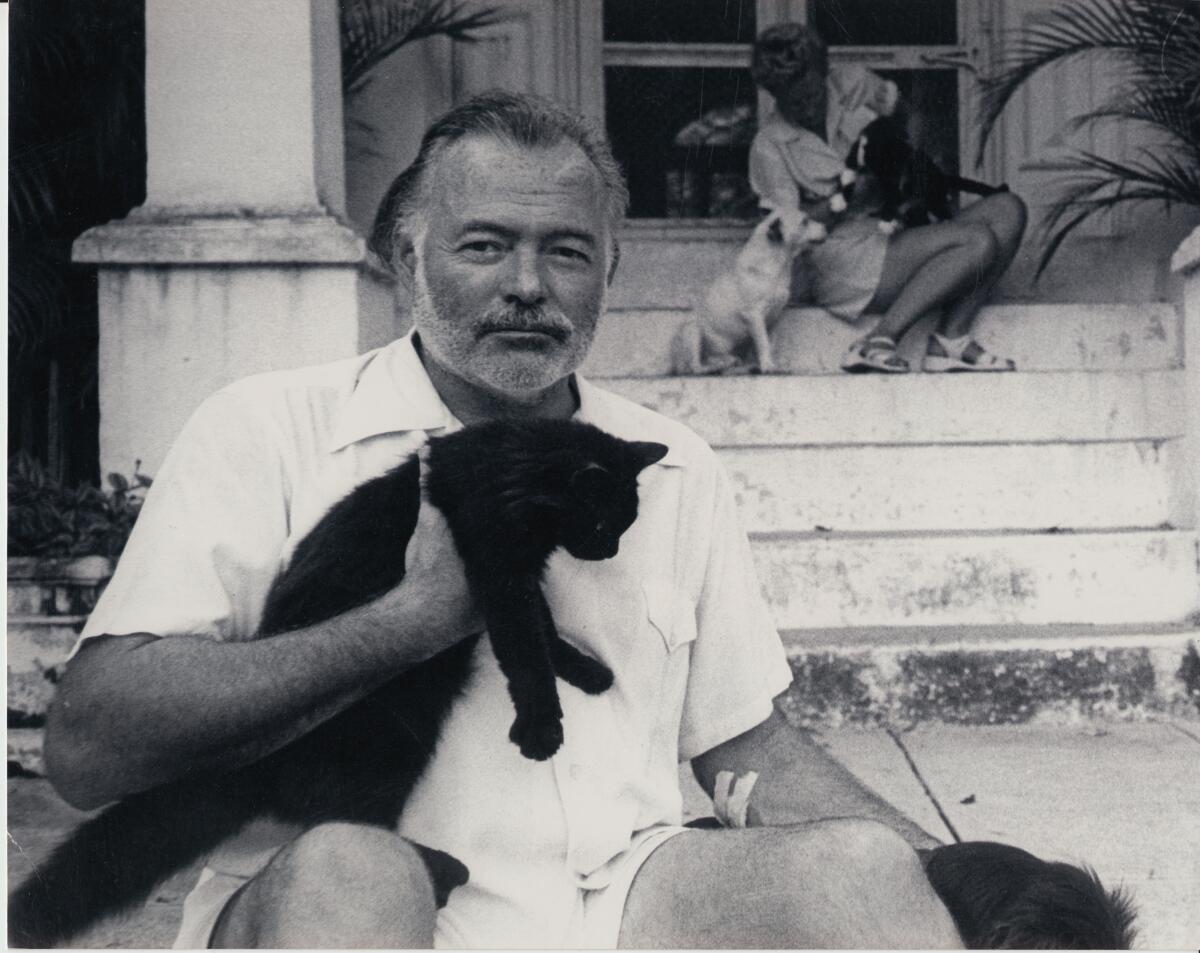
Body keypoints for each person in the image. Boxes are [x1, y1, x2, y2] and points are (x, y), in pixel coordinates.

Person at [44, 90, 962, 949]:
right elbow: (90, 748)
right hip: (355, 905)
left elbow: (743, 740)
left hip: (617, 902)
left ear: (609, 268)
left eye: (565, 250)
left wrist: (979, 885)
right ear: (409, 261)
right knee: (354, 870)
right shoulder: (271, 430)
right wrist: (411, 619)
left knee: (862, 872)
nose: (528, 284)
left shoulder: (670, 466)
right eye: (484, 246)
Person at [749, 23, 1028, 373]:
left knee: (1009, 210)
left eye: (812, 94)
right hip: (840, 257)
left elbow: (909, 117)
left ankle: (950, 341)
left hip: (893, 228)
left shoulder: (852, 83)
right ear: (774, 95)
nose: (807, 108)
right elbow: (787, 232)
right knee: (977, 242)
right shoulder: (769, 145)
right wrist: (845, 197)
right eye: (793, 101)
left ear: (823, 71)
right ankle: (877, 340)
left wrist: (906, 163)